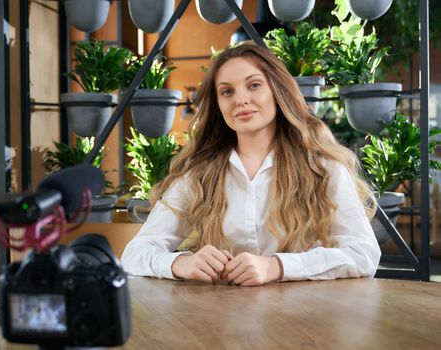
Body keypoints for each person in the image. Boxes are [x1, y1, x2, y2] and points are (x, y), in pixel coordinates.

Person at [121, 43, 381, 286]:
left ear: (277, 91)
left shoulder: (323, 168)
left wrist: (277, 267)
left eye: (254, 85)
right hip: (218, 322)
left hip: (307, 321)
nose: (240, 100)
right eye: (227, 91)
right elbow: (135, 253)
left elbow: (364, 255)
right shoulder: (198, 176)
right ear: (218, 104)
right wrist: (180, 263)